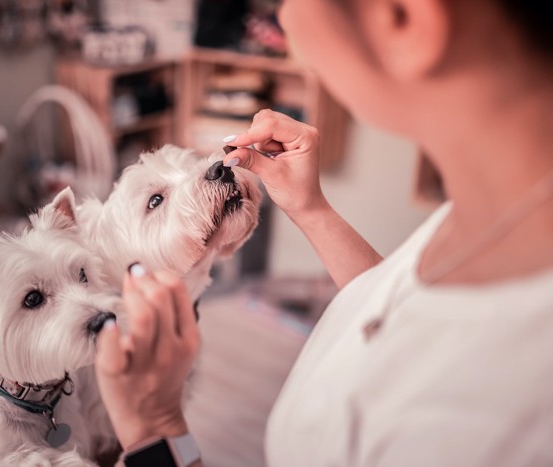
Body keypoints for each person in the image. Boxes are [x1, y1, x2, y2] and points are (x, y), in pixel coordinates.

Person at [94, 0, 553, 465]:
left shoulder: (504, 420)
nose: (282, 20)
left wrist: (157, 428)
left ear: (403, 16)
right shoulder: (497, 208)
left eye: (286, 1)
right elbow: (403, 311)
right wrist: (311, 210)